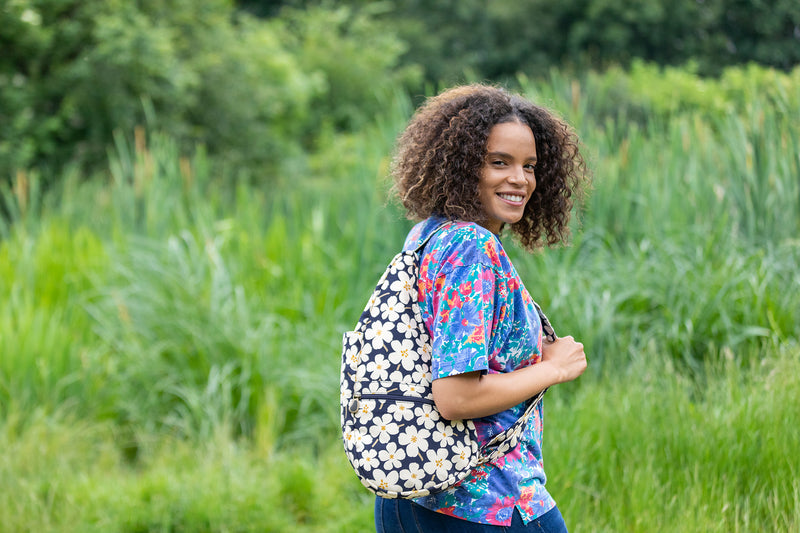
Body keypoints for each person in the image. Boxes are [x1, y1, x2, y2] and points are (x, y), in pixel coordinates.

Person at [375, 84, 591, 533]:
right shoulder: (470, 247)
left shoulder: (428, 235)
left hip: (412, 497)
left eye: (529, 166)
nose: (520, 179)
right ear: (461, 165)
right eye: (499, 162)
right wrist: (554, 368)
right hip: (489, 500)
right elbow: (456, 397)